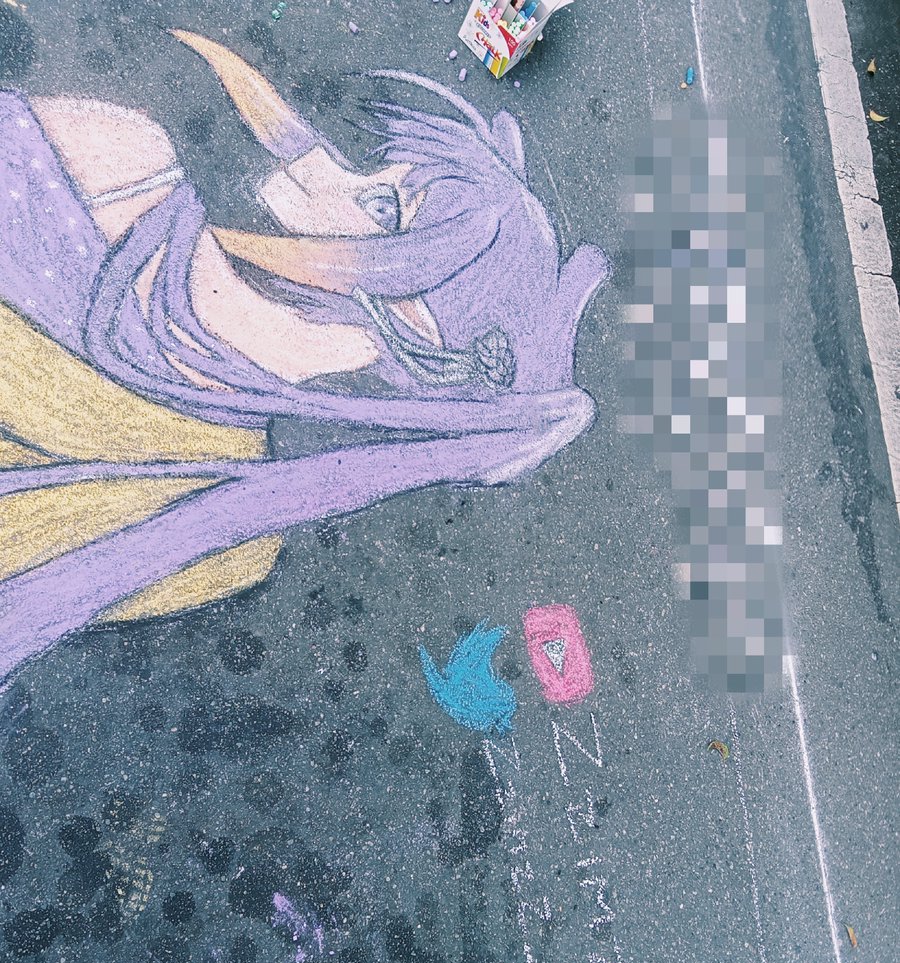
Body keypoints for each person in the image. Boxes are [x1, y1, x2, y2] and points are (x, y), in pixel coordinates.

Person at [0, 32, 610, 687]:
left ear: (408, 336)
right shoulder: (124, 163)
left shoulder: (223, 543)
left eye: (384, 207)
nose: (320, 164)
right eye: (372, 175)